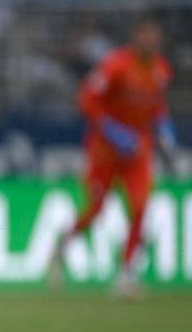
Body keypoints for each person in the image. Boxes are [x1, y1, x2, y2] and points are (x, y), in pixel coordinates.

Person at [50, 19, 175, 298]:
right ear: (136, 38)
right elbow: (87, 99)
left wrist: (164, 125)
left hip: (137, 150)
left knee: (140, 207)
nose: (151, 41)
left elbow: (157, 105)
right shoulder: (115, 66)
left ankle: (126, 274)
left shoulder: (161, 69)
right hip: (105, 150)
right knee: (96, 209)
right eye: (146, 36)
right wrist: (111, 129)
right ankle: (63, 245)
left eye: (155, 37)